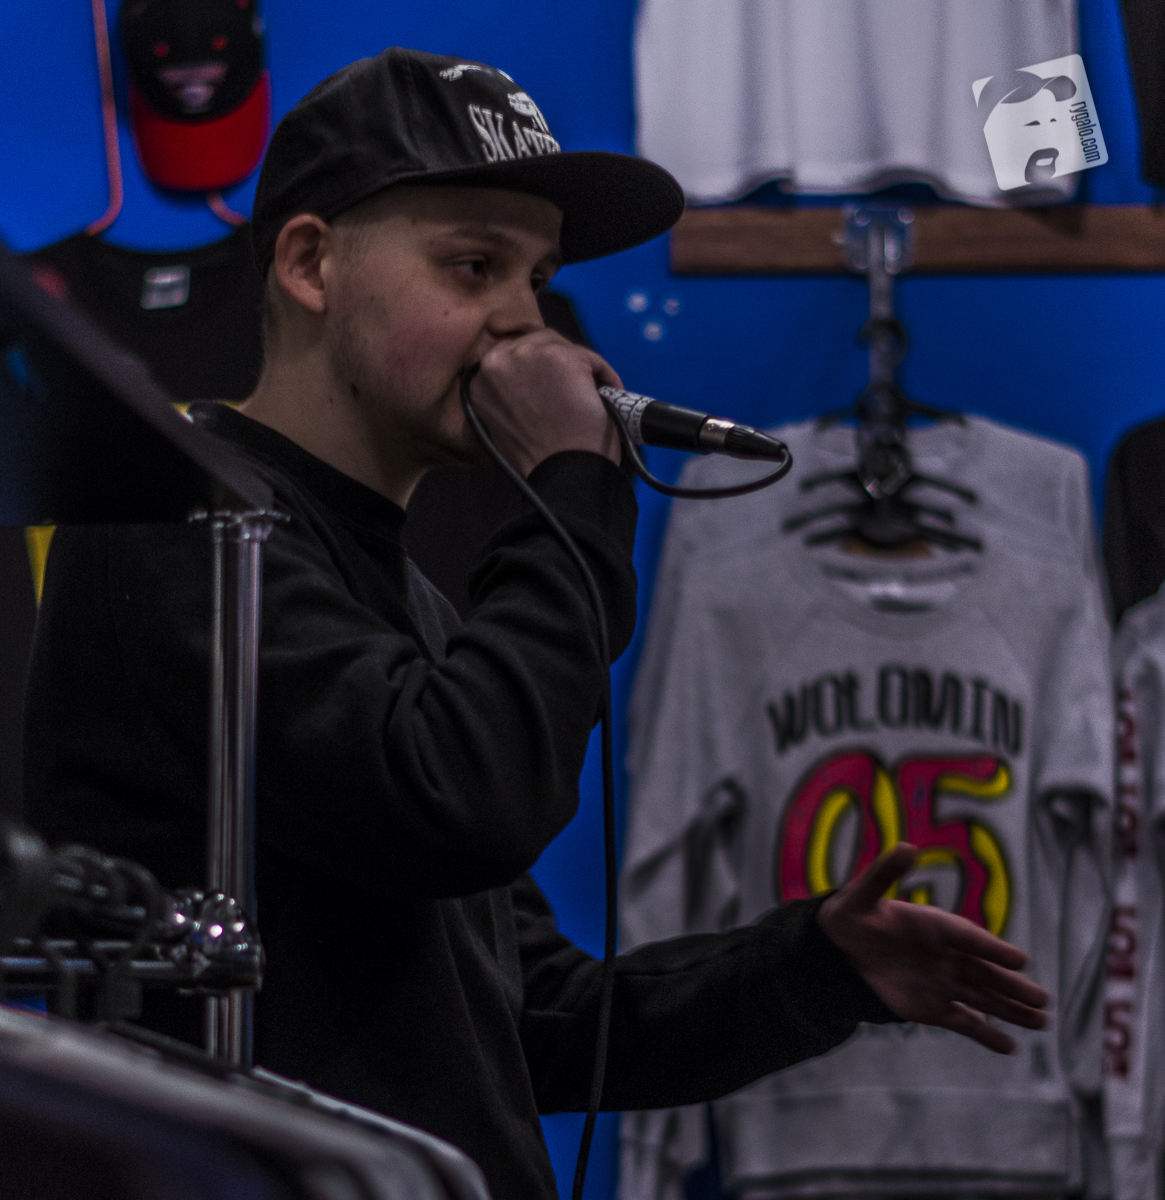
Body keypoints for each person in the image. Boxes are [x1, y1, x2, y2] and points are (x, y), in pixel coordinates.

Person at [24, 48, 1048, 1200]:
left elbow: (534, 1016)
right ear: (311, 263)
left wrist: (814, 967)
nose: (526, 322)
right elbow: (459, 802)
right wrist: (572, 488)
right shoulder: (183, 527)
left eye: (539, 276)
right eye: (473, 266)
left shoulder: (409, 603)